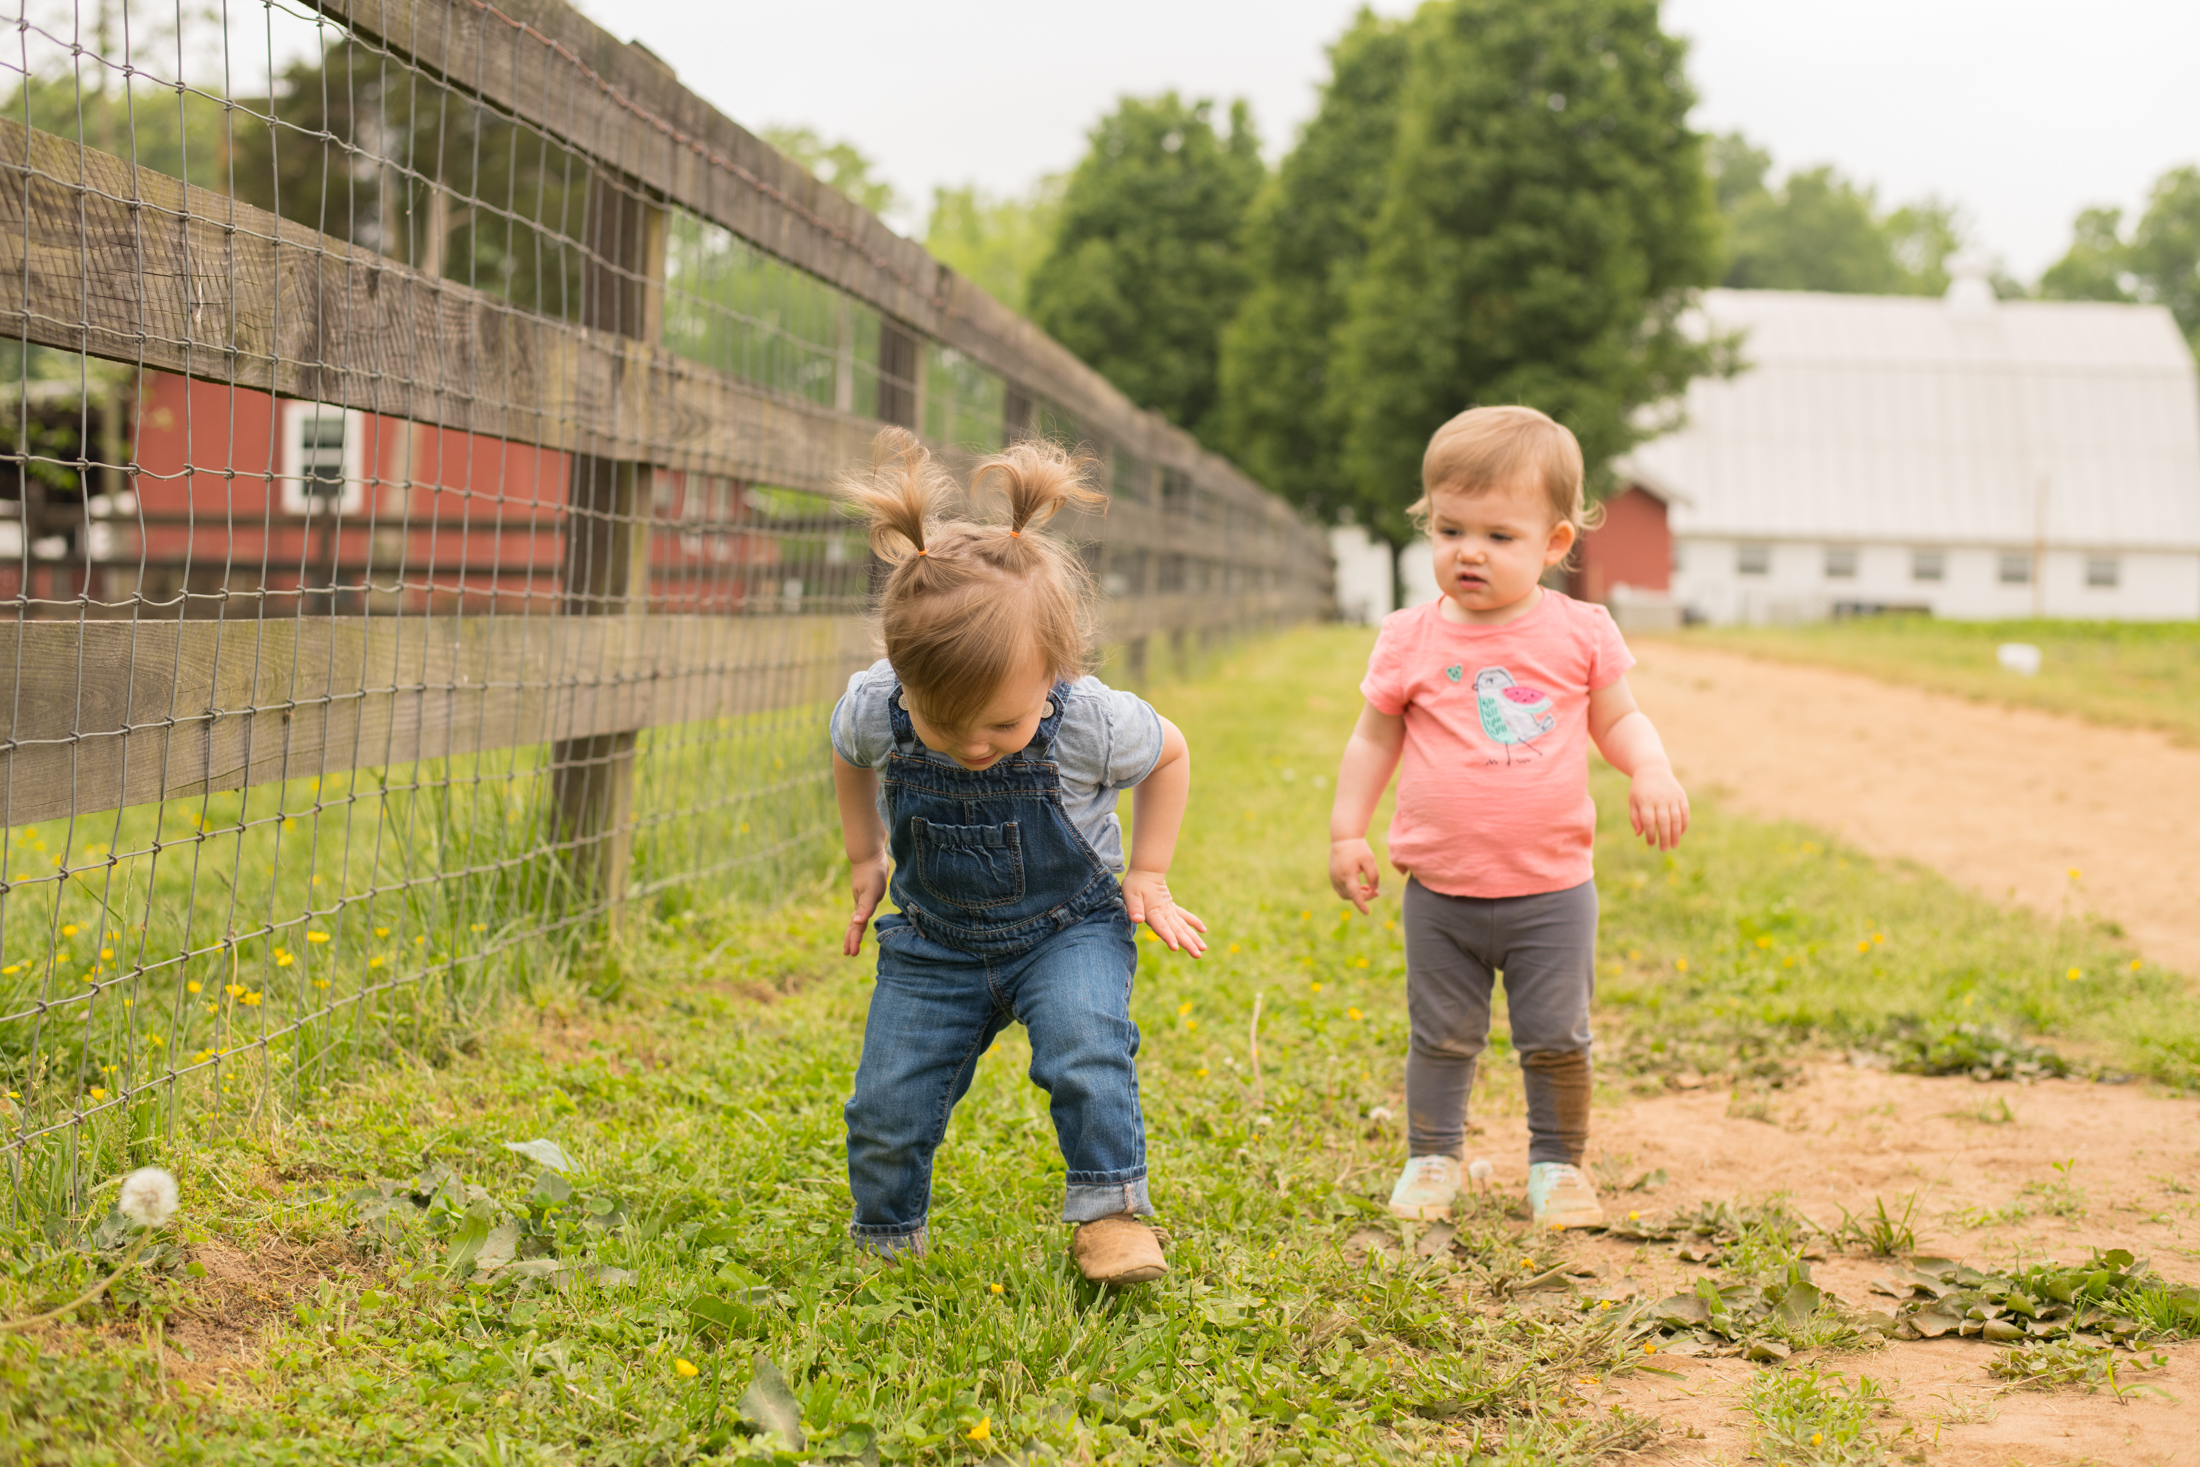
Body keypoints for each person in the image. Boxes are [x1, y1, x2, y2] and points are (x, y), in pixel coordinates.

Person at [830, 430, 1207, 1284]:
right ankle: (886, 1237)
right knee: (887, 1102)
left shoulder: (1087, 719)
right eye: (941, 724)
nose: (972, 746)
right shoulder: (875, 703)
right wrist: (865, 854)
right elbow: (847, 753)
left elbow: (1172, 752)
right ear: (901, 676)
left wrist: (1146, 872)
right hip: (934, 941)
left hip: (1066, 928)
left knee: (1085, 1044)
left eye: (1003, 725)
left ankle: (1110, 1212)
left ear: (1053, 674)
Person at [1325, 405, 1689, 1229]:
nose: (1469, 552)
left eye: (1498, 535)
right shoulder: (1408, 637)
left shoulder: (1579, 632)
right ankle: (1432, 1157)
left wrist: (1652, 766)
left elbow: (1619, 720)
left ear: (1554, 544)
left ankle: (1557, 1165)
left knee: (1557, 1035)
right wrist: (1349, 830)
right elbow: (1372, 738)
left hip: (1552, 890)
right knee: (1442, 1035)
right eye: (1450, 528)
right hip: (1442, 892)